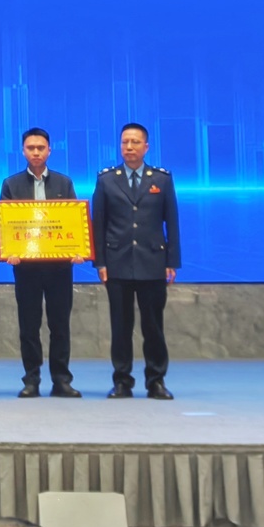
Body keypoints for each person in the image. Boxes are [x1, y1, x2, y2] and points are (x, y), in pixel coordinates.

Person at [92, 121, 181, 399]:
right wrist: (100, 263)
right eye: (124, 142)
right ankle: (122, 381)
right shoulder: (106, 179)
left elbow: (172, 222)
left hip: (153, 262)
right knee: (121, 326)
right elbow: (98, 224)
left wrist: (172, 261)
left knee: (153, 326)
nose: (129, 147)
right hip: (117, 263)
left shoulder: (162, 179)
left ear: (146, 146)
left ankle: (156, 381)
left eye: (135, 142)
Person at [0, 126, 82, 398]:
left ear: (49, 150)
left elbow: (73, 222)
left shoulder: (64, 183)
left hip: (59, 268)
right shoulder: (11, 184)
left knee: (60, 326)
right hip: (26, 268)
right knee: (29, 326)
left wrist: (76, 249)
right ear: (23, 151)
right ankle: (31, 380)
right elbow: (7, 225)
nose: (36, 152)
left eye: (40, 148)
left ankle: (61, 380)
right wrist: (9, 250)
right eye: (31, 148)